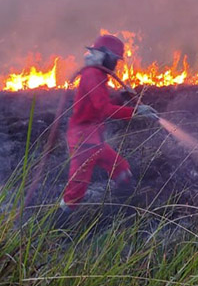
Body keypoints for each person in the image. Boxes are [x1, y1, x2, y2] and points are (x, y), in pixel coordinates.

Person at [60, 34, 157, 212]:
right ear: (105, 55)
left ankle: (124, 208)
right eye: (115, 59)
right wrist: (135, 112)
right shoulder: (92, 75)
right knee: (77, 188)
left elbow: (102, 101)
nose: (116, 64)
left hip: (93, 140)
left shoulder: (97, 75)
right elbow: (103, 108)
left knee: (120, 168)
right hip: (83, 140)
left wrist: (122, 97)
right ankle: (58, 224)